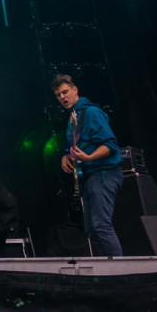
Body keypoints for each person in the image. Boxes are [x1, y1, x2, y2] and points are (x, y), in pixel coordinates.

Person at [53, 73, 123, 257]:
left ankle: (119, 271)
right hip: (91, 176)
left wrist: (90, 157)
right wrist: (66, 157)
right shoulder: (74, 118)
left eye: (65, 92)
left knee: (101, 226)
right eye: (59, 95)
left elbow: (110, 145)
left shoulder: (91, 112)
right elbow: (74, 147)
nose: (63, 97)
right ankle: (107, 272)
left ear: (75, 90)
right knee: (92, 229)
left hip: (104, 172)